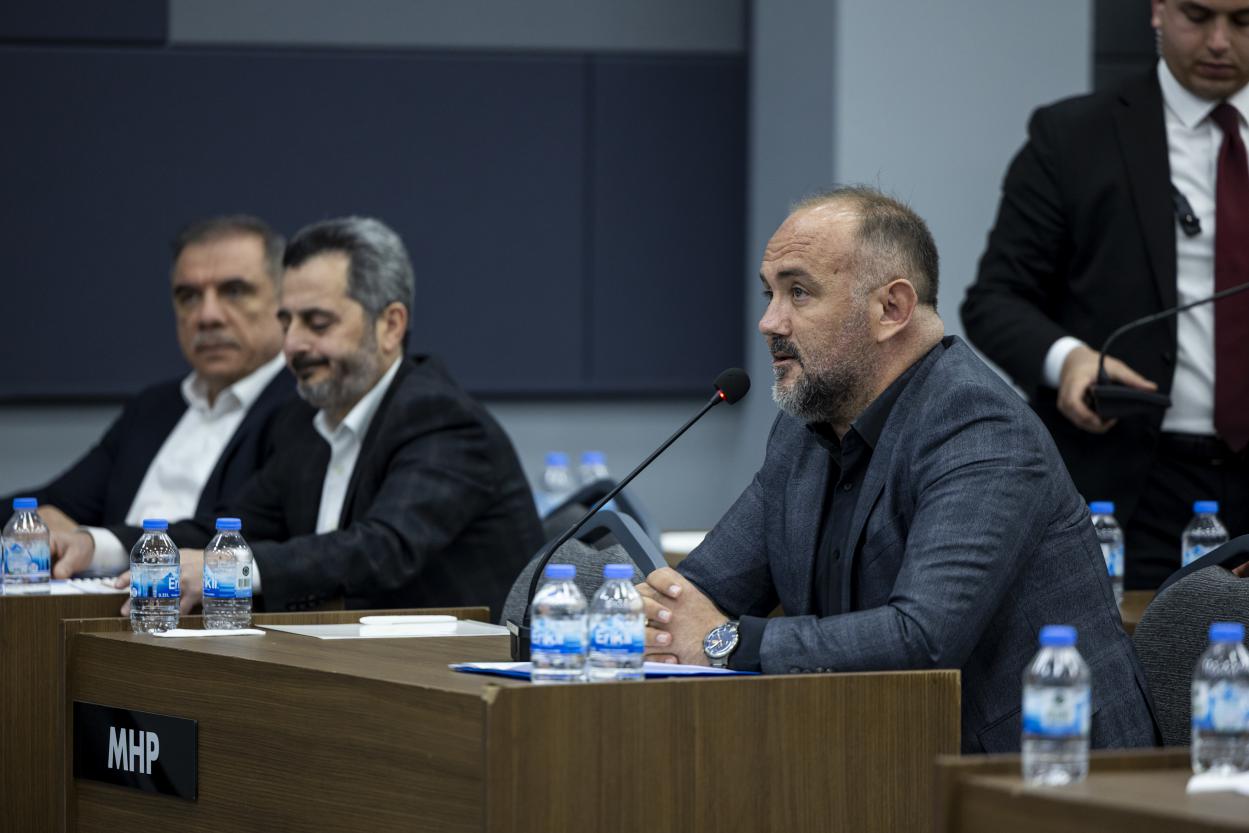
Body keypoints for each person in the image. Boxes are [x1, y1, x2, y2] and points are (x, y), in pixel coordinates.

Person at [639, 187, 1158, 753]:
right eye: (770, 293)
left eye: (799, 292)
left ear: (892, 309)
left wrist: (725, 642)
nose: (769, 321)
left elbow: (922, 638)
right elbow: (699, 591)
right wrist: (648, 617)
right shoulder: (803, 433)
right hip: (883, 759)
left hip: (1042, 770)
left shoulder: (978, 426)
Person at [54, 216, 543, 618]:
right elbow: (226, 532)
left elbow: (379, 548)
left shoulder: (441, 420)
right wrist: (97, 545)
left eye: (318, 323)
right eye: (286, 322)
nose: (292, 346)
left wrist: (226, 569)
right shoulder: (301, 423)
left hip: (463, 679)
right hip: (342, 666)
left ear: (390, 326)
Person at [960, 0, 1249, 590]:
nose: (1220, 41)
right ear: (1159, 10)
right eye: (1198, 16)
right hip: (1132, 487)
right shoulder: (1074, 137)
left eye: (1245, 21)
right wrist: (1068, 359)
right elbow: (996, 299)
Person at [9, 215, 293, 564]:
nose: (207, 316)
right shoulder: (154, 407)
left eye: (234, 291)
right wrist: (33, 521)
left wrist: (96, 542)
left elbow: (247, 531)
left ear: (284, 302)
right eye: (189, 296)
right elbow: (58, 502)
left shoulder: (303, 407)